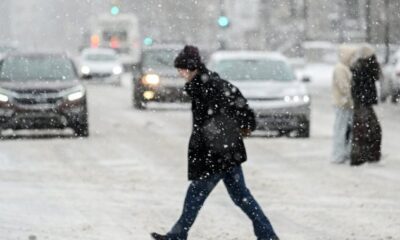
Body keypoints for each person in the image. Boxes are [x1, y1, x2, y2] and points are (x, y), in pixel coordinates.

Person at [151, 45, 279, 240]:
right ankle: (267, 235)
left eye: (181, 69)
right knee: (241, 197)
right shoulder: (208, 84)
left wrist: (216, 144)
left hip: (218, 153)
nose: (180, 73)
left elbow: (220, 118)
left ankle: (177, 235)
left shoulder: (208, 87)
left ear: (191, 67)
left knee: (197, 194)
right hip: (226, 151)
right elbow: (237, 106)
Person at [349, 44, 382, 166]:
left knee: (366, 130)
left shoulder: (364, 67)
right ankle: (362, 156)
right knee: (363, 130)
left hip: (363, 103)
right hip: (363, 103)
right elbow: (363, 85)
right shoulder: (363, 68)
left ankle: (365, 156)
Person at [331, 44, 357, 164]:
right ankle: (338, 155)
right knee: (341, 130)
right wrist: (350, 99)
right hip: (343, 104)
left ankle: (344, 154)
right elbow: (344, 87)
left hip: (345, 104)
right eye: (351, 55)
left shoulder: (344, 67)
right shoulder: (341, 68)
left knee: (345, 130)